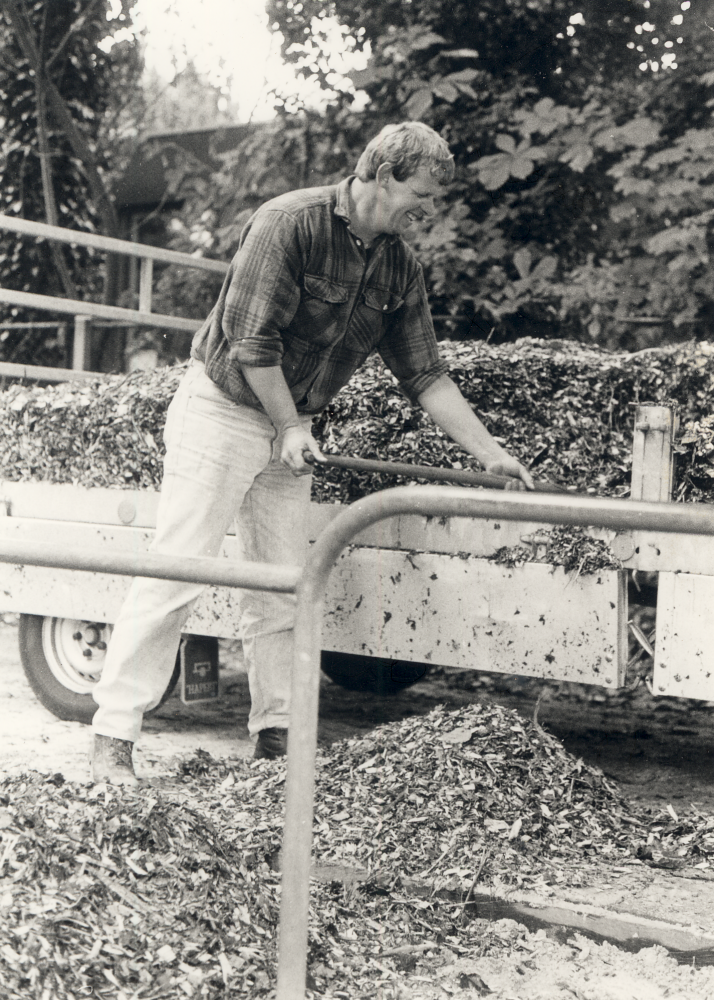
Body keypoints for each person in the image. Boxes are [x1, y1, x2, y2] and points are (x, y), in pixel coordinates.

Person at [90, 121, 534, 787]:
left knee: (285, 585)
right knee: (176, 570)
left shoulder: (397, 265)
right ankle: (112, 740)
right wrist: (290, 425)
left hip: (293, 430)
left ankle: (278, 740)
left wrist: (490, 453)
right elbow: (250, 340)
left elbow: (426, 376)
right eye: (423, 194)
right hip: (223, 411)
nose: (429, 210)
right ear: (382, 176)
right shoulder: (289, 223)